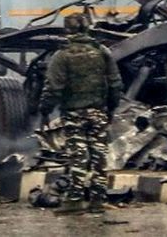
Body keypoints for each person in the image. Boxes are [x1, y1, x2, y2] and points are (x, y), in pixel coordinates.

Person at [38, 14, 122, 215]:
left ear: (67, 30)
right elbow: (115, 83)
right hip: (98, 111)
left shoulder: (62, 55)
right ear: (87, 28)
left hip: (74, 113)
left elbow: (53, 88)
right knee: (99, 156)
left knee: (78, 156)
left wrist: (45, 110)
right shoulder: (102, 51)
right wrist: (111, 108)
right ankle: (97, 200)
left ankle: (75, 200)